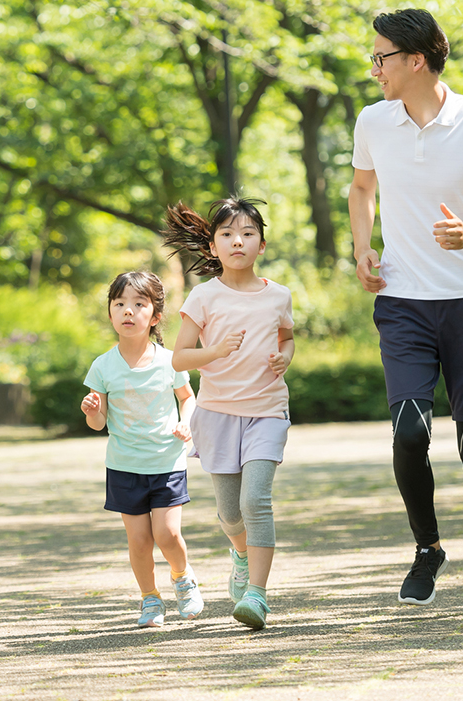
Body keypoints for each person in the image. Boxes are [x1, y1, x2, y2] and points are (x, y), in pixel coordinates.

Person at [348, 8, 463, 616]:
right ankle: (428, 549)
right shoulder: (373, 121)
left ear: (415, 60)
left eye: (381, 58)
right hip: (402, 302)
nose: (373, 69)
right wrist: (360, 247)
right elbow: (361, 187)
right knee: (408, 433)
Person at [163, 198, 295, 631]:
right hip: (217, 414)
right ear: (214, 245)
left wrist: (285, 358)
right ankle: (240, 553)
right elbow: (179, 359)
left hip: (268, 411)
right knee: (230, 512)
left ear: (261, 244)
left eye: (248, 233)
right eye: (227, 234)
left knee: (255, 500)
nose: (237, 241)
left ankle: (257, 595)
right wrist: (216, 351)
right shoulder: (204, 296)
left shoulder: (279, 295)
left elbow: (287, 337)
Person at [80, 271, 204, 628]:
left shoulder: (169, 361)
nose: (128, 312)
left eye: (138, 304)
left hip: (166, 461)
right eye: (119, 304)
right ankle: (150, 600)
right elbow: (98, 424)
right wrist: (93, 410)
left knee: (167, 535)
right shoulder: (102, 366)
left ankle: (183, 577)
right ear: (110, 313)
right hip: (124, 466)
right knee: (139, 540)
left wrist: (187, 423)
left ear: (154, 315)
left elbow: (188, 398)